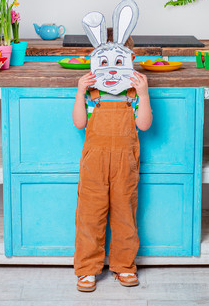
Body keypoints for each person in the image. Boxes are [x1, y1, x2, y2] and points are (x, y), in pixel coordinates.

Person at [72, 30, 153, 292]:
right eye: (105, 61)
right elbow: (79, 122)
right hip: (94, 162)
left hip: (124, 164)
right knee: (90, 216)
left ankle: (124, 265)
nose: (112, 68)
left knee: (124, 215)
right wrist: (80, 90)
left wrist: (144, 93)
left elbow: (145, 125)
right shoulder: (93, 93)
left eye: (119, 61)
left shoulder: (133, 93)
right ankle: (87, 269)